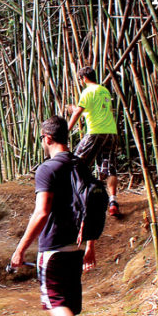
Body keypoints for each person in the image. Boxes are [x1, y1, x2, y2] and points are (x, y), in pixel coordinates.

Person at [11, 115, 98, 316]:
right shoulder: (80, 164)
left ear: (47, 138)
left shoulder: (47, 168)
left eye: (41, 139)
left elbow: (41, 213)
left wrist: (20, 249)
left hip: (54, 247)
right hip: (76, 245)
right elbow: (92, 205)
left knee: (55, 303)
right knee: (66, 304)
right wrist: (90, 245)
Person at [68, 66, 121, 217]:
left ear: (83, 78)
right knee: (110, 168)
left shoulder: (87, 91)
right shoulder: (104, 91)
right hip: (111, 133)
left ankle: (80, 199)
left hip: (95, 133)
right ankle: (113, 202)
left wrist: (66, 130)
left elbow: (78, 112)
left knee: (76, 163)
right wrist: (77, 109)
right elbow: (97, 111)